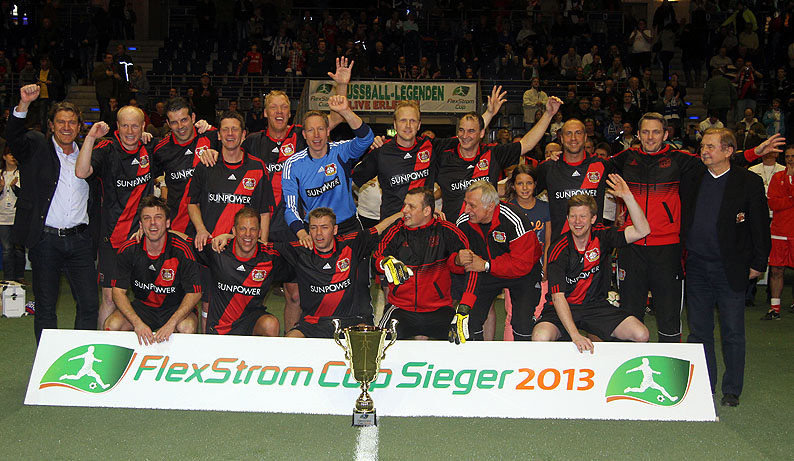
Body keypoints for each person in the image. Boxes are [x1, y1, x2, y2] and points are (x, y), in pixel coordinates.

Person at [610, 113, 772, 342]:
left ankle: (670, 362)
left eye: (656, 132)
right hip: (631, 247)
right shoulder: (625, 158)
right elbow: (592, 167)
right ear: (638, 134)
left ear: (665, 134)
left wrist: (754, 153)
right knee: (629, 313)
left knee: (668, 315)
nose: (650, 137)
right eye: (645, 132)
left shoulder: (680, 159)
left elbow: (719, 160)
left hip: (667, 248)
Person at [241, 58, 353, 333]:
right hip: (259, 228)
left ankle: (290, 343)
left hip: (293, 228)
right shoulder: (252, 141)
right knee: (250, 290)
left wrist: (341, 85)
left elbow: (336, 117)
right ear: (265, 112)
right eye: (273, 107)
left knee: (294, 295)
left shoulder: (302, 136)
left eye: (284, 107)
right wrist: (206, 145)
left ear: (290, 113)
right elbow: (226, 147)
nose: (279, 111)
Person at [681, 128, 771, 407]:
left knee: (733, 331)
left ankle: (732, 389)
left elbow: (760, 226)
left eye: (710, 147)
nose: (704, 151)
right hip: (697, 266)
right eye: (703, 146)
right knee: (699, 331)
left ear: (728, 151)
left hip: (731, 267)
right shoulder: (693, 177)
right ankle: (704, 385)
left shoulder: (749, 182)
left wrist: (759, 263)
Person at [5, 84, 100, 343]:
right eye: (61, 122)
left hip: (81, 241)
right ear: (51, 125)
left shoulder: (90, 155)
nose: (66, 127)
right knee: (45, 307)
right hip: (45, 241)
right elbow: (13, 135)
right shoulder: (36, 147)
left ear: (79, 127)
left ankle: (82, 353)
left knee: (89, 304)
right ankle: (47, 362)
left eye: (72, 122)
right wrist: (24, 103)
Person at [532, 180, 651, 352]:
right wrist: (575, 335)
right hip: (563, 306)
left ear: (593, 219)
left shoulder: (602, 236)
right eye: (573, 216)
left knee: (641, 334)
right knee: (540, 337)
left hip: (595, 307)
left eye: (583, 216)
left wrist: (628, 198)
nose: (577, 221)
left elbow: (643, 230)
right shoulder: (559, 249)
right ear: (567, 218)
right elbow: (558, 297)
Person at [353, 86, 505, 219]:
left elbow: (468, 136)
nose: (408, 126)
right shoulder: (380, 151)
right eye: (403, 120)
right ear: (395, 124)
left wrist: (490, 113)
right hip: (393, 226)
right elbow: (352, 181)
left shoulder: (430, 146)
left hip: (424, 225)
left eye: (413, 121)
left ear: (419, 125)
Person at [76, 105, 159, 329]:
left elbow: (182, 144)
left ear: (143, 127)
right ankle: (104, 345)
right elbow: (81, 172)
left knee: (153, 297)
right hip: (112, 238)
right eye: (125, 126)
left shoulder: (150, 147)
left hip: (146, 238)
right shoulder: (106, 149)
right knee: (110, 298)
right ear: (117, 127)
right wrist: (91, 137)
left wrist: (205, 129)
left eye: (135, 126)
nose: (130, 131)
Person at [374, 187, 477, 342]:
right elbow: (376, 257)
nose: (404, 210)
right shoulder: (395, 231)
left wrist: (464, 307)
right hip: (401, 308)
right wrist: (384, 262)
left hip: (439, 309)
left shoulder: (447, 231)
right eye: (405, 205)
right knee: (379, 343)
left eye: (411, 206)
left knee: (466, 339)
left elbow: (473, 269)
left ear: (427, 211)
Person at [435, 97, 562, 222]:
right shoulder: (444, 157)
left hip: (486, 230)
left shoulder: (492, 153)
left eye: (471, 131)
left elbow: (526, 144)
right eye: (461, 130)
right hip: (453, 230)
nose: (465, 136)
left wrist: (548, 114)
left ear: (482, 133)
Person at [106, 195, 201, 344]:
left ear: (167, 222)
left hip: (174, 308)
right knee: (112, 325)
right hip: (143, 308)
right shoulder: (129, 249)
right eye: (147, 218)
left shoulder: (182, 250)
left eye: (158, 217)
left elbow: (195, 293)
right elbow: (118, 292)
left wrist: (171, 323)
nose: (152, 223)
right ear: (140, 224)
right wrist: (137, 323)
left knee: (187, 327)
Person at [455, 181, 542, 341]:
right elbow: (454, 261)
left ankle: (524, 355)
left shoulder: (514, 219)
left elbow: (523, 264)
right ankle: (477, 354)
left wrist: (486, 265)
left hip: (523, 274)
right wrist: (457, 260)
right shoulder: (463, 223)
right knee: (469, 320)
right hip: (486, 272)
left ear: (490, 206)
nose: (466, 210)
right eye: (466, 203)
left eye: (472, 205)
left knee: (522, 324)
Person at [282, 94, 373, 244]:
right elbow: (290, 208)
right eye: (311, 130)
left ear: (328, 131)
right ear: (304, 134)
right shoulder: (293, 165)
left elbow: (366, 138)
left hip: (347, 227)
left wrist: (346, 112)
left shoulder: (341, 152)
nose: (316, 135)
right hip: (316, 231)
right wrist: (302, 234)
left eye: (321, 129)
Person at [197, 207, 282, 335]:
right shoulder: (218, 249)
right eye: (242, 229)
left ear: (259, 232)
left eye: (253, 229)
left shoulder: (270, 256)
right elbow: (182, 241)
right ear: (234, 231)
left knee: (270, 324)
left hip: (251, 322)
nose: (248, 234)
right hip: (220, 326)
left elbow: (300, 252)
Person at [536, 117, 614, 238]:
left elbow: (630, 184)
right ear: (561, 138)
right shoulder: (548, 167)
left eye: (578, 133)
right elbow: (523, 192)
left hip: (594, 243)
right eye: (568, 133)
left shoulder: (601, 165)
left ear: (585, 137)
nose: (573, 138)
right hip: (560, 243)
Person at [152, 97, 218, 233]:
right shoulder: (161, 150)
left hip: (212, 225)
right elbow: (144, 176)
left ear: (193, 118)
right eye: (174, 122)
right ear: (168, 124)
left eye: (184, 120)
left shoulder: (212, 137)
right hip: (179, 227)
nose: (180, 126)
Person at [501, 165, 550, 340]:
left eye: (529, 183)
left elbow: (548, 241)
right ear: (513, 185)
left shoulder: (545, 208)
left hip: (539, 269)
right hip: (515, 271)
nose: (525, 188)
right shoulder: (506, 208)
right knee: (512, 313)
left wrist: (546, 267)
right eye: (520, 183)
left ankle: (534, 352)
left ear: (535, 184)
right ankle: (510, 352)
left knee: (539, 312)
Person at [764, 146, 794, 320]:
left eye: (793, 156)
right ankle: (774, 308)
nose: (790, 159)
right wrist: (790, 198)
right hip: (778, 232)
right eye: (788, 156)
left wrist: (787, 195)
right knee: (776, 270)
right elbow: (773, 204)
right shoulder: (777, 177)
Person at [0, 151, 26, 283]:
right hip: (2, 217)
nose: (13, 157)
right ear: (4, 157)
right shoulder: (1, 174)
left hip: (18, 216)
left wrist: (15, 187)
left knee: (19, 249)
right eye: (10, 154)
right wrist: (1, 188)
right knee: (6, 250)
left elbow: (26, 196)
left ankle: (20, 277)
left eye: (15, 154)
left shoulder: (22, 174)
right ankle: (8, 278)